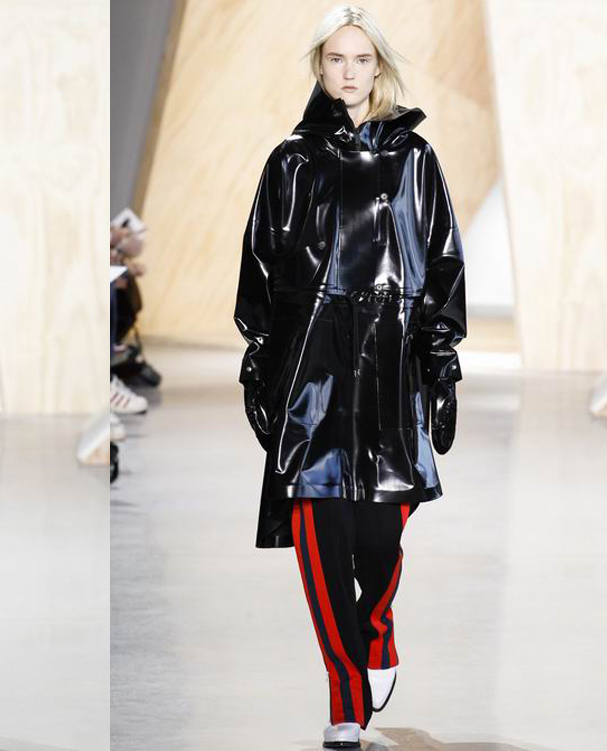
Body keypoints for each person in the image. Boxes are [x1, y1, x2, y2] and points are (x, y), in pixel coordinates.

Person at [233, 6, 466, 748]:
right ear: (320, 67)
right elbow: (261, 266)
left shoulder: (415, 158)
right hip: (312, 375)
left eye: (361, 59)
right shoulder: (291, 161)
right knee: (321, 536)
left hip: (392, 372)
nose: (349, 71)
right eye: (336, 58)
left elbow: (443, 259)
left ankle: (377, 628)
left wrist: (442, 362)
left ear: (379, 67)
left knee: (383, 532)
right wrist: (259, 363)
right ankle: (342, 692)